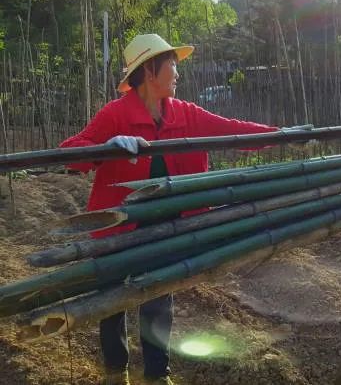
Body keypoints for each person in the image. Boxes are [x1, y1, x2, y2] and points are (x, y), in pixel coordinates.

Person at [60, 34, 283, 385]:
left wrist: (284, 135)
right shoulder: (116, 114)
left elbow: (235, 131)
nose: (178, 73)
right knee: (111, 303)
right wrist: (105, 146)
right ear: (150, 70)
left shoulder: (186, 114)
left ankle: (156, 375)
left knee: (158, 300)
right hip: (118, 229)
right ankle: (116, 373)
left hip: (168, 228)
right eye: (172, 65)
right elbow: (72, 153)